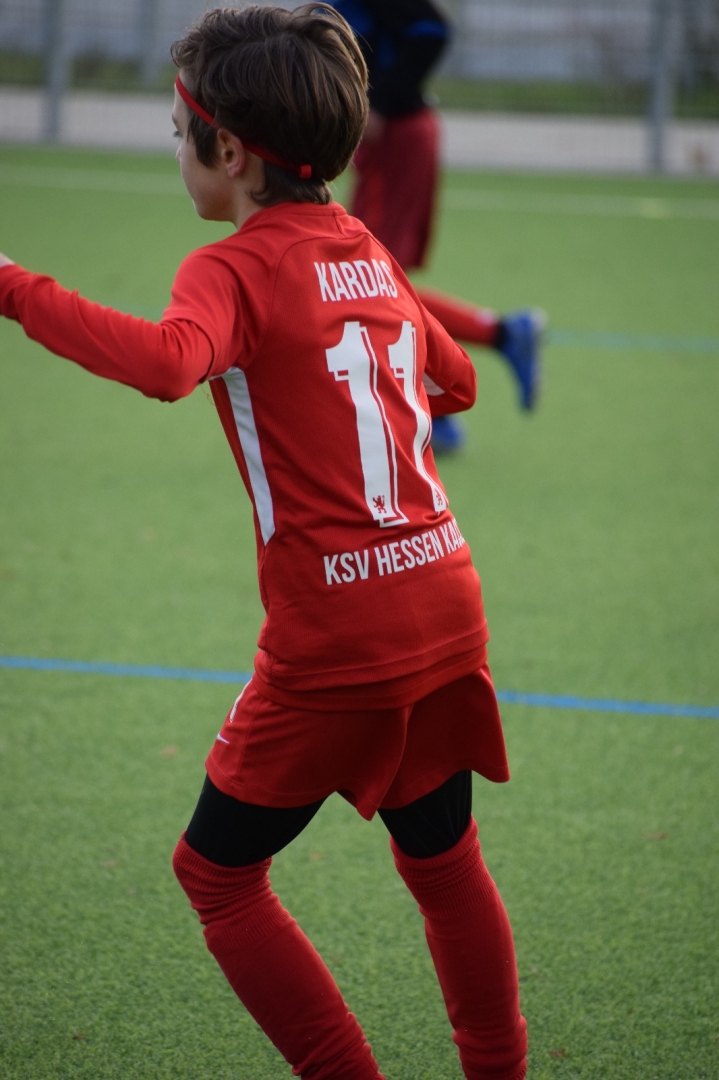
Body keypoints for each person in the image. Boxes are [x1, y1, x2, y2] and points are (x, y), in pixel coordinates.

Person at [0, 6, 527, 1078]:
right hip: (442, 596)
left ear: (230, 152)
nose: (175, 150)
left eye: (178, 132)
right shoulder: (366, 250)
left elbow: (167, 364)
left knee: (217, 877)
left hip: (337, 633)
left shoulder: (229, 269)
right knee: (442, 863)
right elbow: (457, 381)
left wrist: (12, 287)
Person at [332, 0, 544, 451]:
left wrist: (380, 104)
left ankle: (452, 390)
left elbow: (432, 30)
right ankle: (464, 378)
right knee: (374, 285)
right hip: (391, 142)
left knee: (370, 284)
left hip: (398, 139)